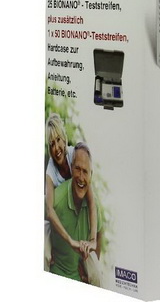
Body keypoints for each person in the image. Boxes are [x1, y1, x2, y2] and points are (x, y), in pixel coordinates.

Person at [44, 114, 98, 278]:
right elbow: (49, 211)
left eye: (58, 140)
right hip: (59, 220)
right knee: (44, 253)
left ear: (64, 138)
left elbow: (91, 201)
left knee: (94, 271)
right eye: (51, 144)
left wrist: (93, 239)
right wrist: (69, 241)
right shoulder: (50, 170)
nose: (56, 148)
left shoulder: (74, 154)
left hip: (77, 217)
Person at [49, 141, 102, 284]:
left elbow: (99, 232)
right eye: (77, 169)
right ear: (71, 168)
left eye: (85, 171)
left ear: (91, 175)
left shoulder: (94, 205)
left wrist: (90, 267)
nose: (81, 177)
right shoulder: (57, 199)